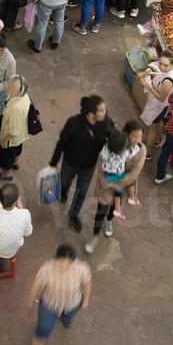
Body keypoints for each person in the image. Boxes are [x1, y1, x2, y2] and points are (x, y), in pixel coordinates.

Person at [50, 94, 114, 233]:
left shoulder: (105, 123)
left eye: (105, 110)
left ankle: (73, 216)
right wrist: (54, 162)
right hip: (70, 163)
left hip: (88, 166)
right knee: (64, 182)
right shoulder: (73, 123)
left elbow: (114, 137)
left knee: (82, 191)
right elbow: (61, 143)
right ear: (91, 114)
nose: (105, 113)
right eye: (101, 111)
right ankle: (63, 193)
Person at [26, 245, 92, 345]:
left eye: (68, 264)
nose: (63, 267)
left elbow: (87, 284)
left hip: (72, 303)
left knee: (68, 318)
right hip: (50, 305)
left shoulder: (82, 268)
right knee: (43, 329)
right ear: (56, 259)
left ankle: (67, 319)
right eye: (61, 263)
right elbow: (36, 287)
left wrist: (86, 301)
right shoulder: (46, 269)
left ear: (73, 261)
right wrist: (30, 303)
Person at [85, 120, 146, 253]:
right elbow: (101, 166)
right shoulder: (114, 142)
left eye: (140, 137)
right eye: (134, 136)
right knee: (100, 212)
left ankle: (109, 221)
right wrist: (108, 184)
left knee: (114, 207)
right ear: (126, 134)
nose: (138, 140)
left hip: (121, 186)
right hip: (105, 187)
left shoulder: (140, 150)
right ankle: (94, 237)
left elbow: (134, 173)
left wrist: (117, 185)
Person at [137, 50, 173, 157]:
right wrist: (152, 73)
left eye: (166, 65)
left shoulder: (168, 81)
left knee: (152, 129)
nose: (162, 67)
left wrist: (148, 85)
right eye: (160, 63)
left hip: (159, 106)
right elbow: (162, 73)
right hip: (162, 106)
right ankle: (158, 140)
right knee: (158, 122)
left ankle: (148, 153)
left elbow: (161, 98)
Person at [0, 181, 33, 263]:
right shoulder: (25, 213)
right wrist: (21, 209)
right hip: (13, 249)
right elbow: (28, 233)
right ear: (17, 200)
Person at [0, 74, 31, 181]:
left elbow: (13, 131)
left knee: (5, 156)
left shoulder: (16, 108)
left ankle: (7, 174)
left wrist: (4, 140)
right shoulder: (24, 96)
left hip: (11, 138)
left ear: (16, 90)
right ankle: (15, 163)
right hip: (21, 134)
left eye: (9, 87)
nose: (7, 88)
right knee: (17, 149)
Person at [97, 127, 135, 219]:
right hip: (118, 175)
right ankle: (130, 198)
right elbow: (132, 152)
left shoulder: (104, 151)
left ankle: (117, 209)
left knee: (115, 194)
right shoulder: (123, 154)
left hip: (108, 176)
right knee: (122, 189)